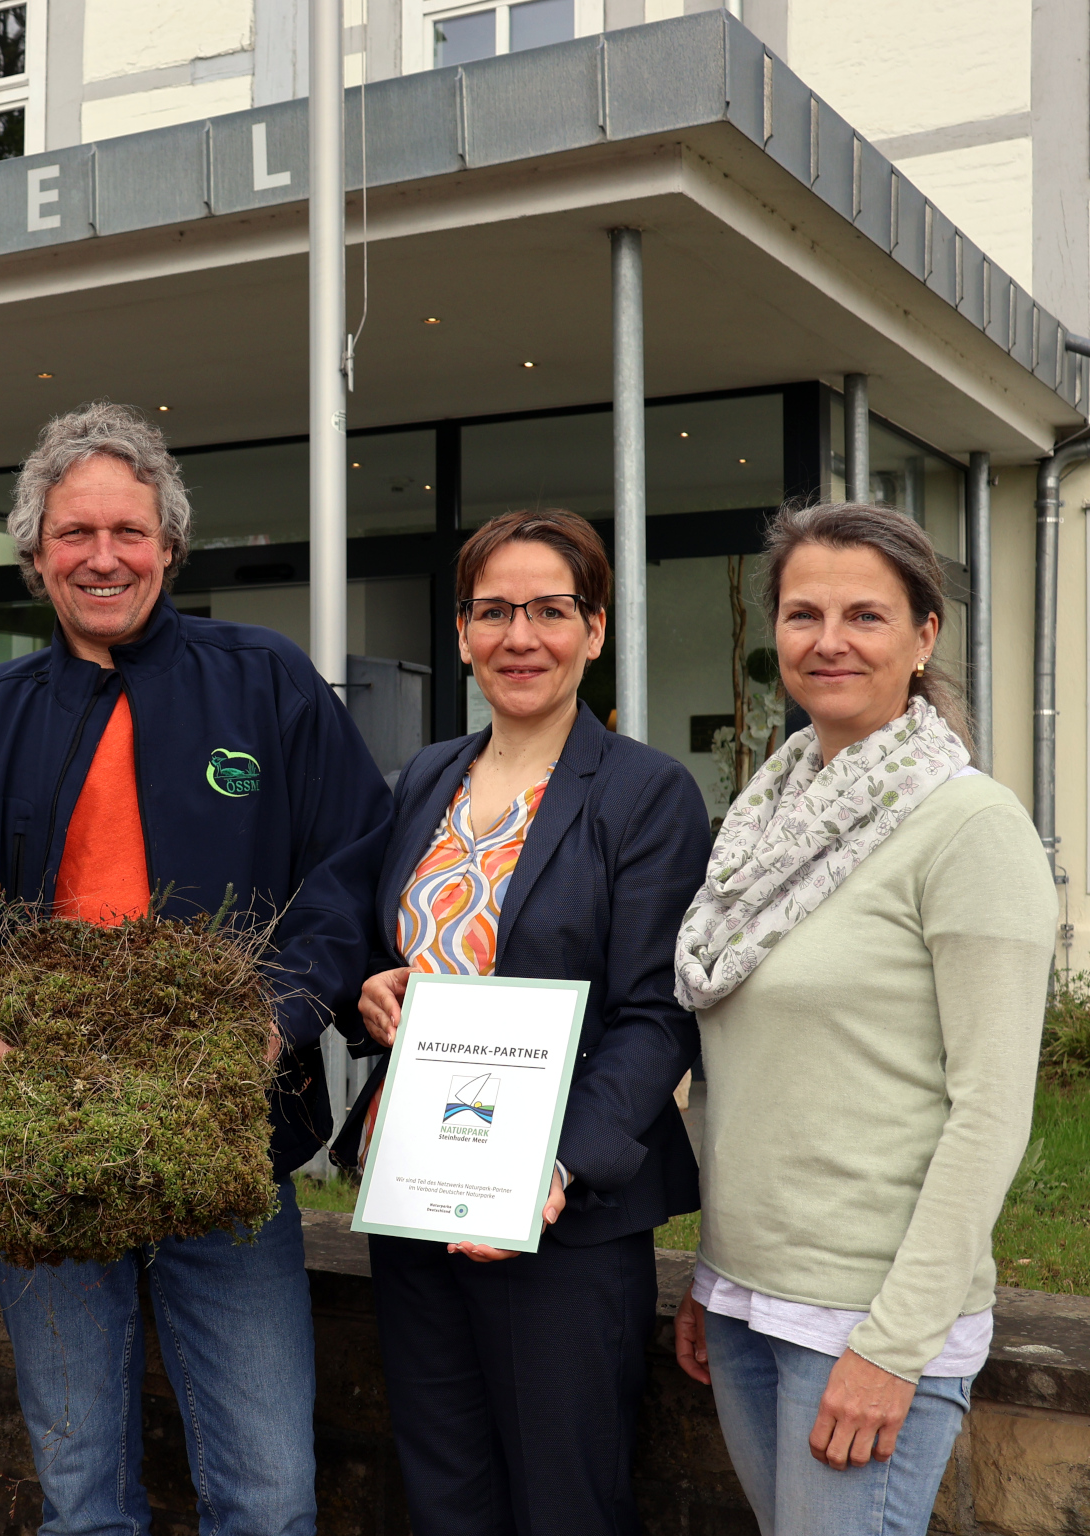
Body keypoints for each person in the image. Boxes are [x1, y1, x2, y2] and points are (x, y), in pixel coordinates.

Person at [0, 400, 391, 1536]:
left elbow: (348, 866)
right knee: (80, 1498)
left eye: (128, 532)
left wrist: (278, 1012)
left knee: (266, 1496)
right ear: (35, 555)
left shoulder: (263, 683)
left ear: (167, 546)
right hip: (41, 1136)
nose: (103, 556)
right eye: (75, 534)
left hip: (223, 1131)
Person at [671, 502, 1054, 1536]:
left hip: (867, 1318)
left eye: (864, 616)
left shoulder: (968, 826)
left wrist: (893, 1345)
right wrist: (714, 1273)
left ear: (923, 635)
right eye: (801, 614)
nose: (827, 641)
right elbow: (750, 1082)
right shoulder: (769, 816)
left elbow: (989, 1113)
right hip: (748, 1295)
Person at [350, 509, 710, 1536]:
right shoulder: (423, 779)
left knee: (564, 1501)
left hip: (563, 1213)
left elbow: (654, 1017)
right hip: (417, 1187)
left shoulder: (644, 794)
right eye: (494, 611)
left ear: (593, 630)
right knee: (442, 1489)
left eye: (550, 610)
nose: (521, 637)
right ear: (460, 631)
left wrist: (551, 1169)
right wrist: (373, 993)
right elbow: (403, 955)